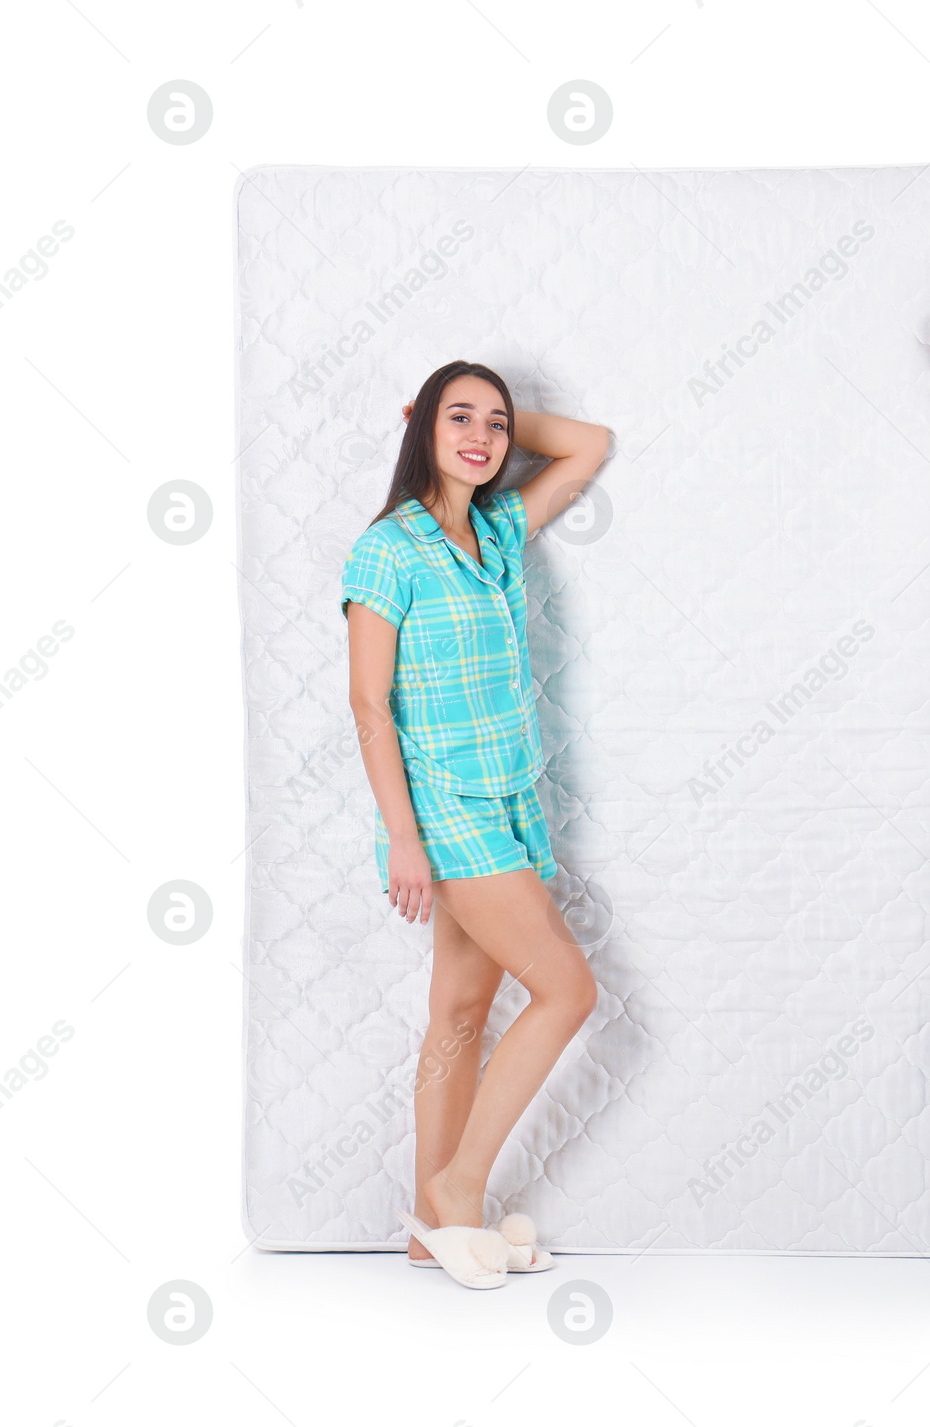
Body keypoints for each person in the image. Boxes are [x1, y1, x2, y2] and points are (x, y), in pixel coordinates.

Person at [340, 359, 609, 1279]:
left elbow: (588, 446)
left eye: (495, 425)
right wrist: (404, 838)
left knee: (460, 1007)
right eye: (460, 419)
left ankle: (430, 1227)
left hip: (507, 799)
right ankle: (461, 1187)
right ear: (421, 429)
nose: (484, 438)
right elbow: (370, 706)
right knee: (569, 990)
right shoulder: (387, 550)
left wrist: (497, 415)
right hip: (442, 812)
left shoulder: (496, 529)